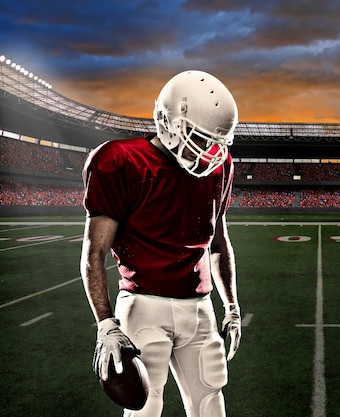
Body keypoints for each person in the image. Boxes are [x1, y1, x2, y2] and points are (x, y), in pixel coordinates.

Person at [80, 70, 241, 417]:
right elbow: (93, 252)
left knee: (211, 403)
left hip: (199, 308)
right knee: (144, 410)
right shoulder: (119, 160)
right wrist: (106, 324)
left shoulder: (221, 167)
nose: (208, 153)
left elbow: (218, 241)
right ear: (168, 120)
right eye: (198, 139)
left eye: (215, 142)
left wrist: (231, 305)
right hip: (142, 305)